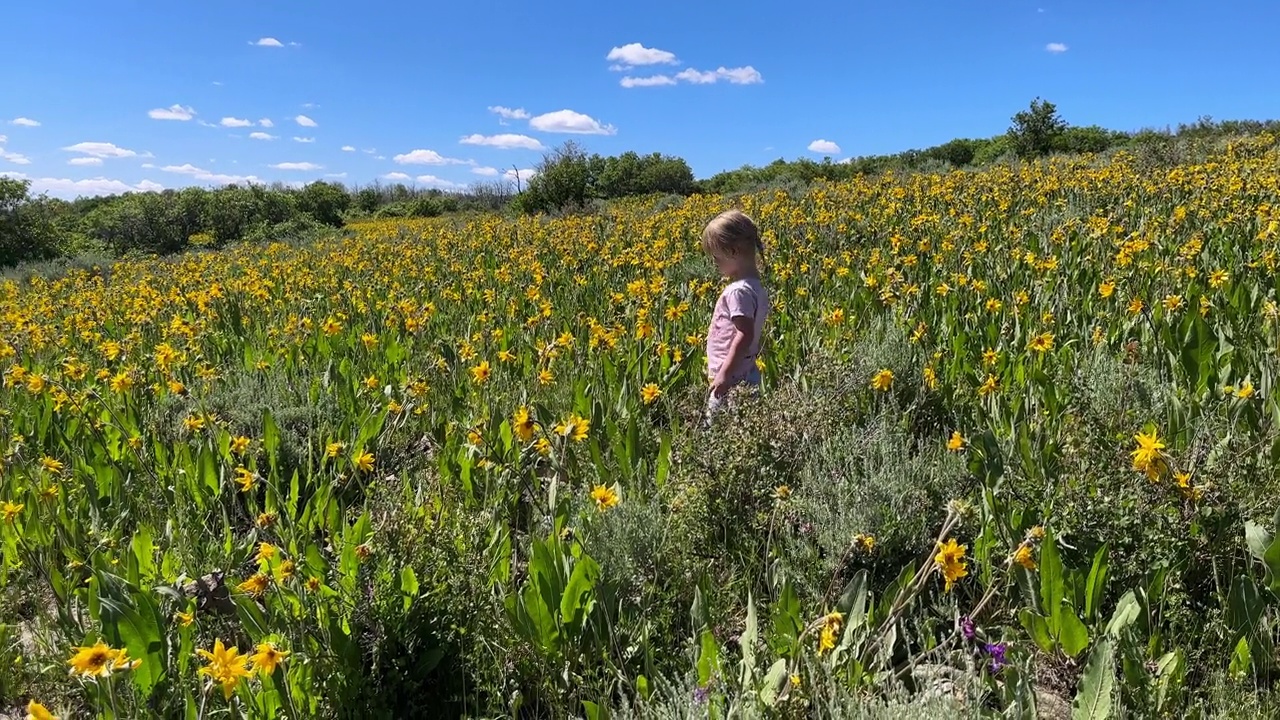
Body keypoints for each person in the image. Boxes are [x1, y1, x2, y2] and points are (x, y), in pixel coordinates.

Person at [702, 209, 770, 423]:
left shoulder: (737, 291)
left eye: (716, 257)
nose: (715, 263)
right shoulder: (757, 288)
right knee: (747, 426)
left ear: (732, 251)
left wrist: (724, 374)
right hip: (748, 369)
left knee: (715, 429)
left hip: (731, 374)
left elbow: (744, 335)